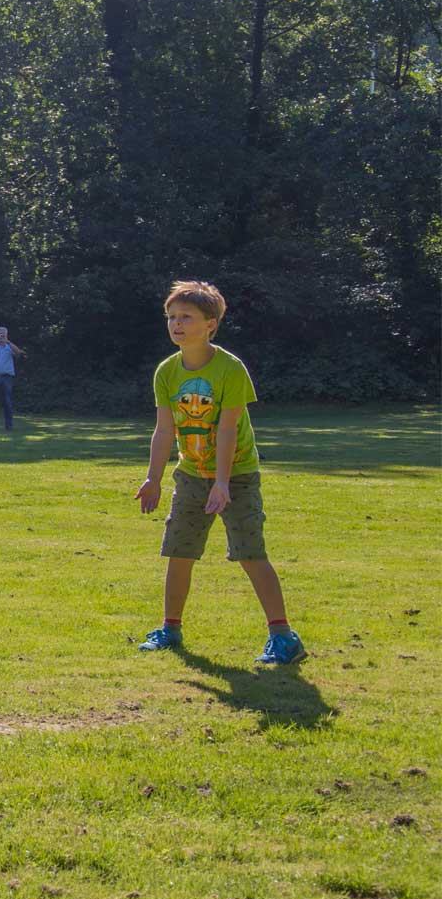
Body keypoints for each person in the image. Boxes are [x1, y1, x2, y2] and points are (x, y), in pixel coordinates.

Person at [134, 281, 303, 665]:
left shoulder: (230, 369)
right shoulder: (166, 372)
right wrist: (153, 478)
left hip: (237, 475)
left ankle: (283, 637)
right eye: (172, 317)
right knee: (179, 551)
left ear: (210, 324)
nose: (177, 324)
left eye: (186, 317)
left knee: (250, 553)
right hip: (191, 475)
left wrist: (223, 483)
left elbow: (228, 429)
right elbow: (164, 430)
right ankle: (170, 630)